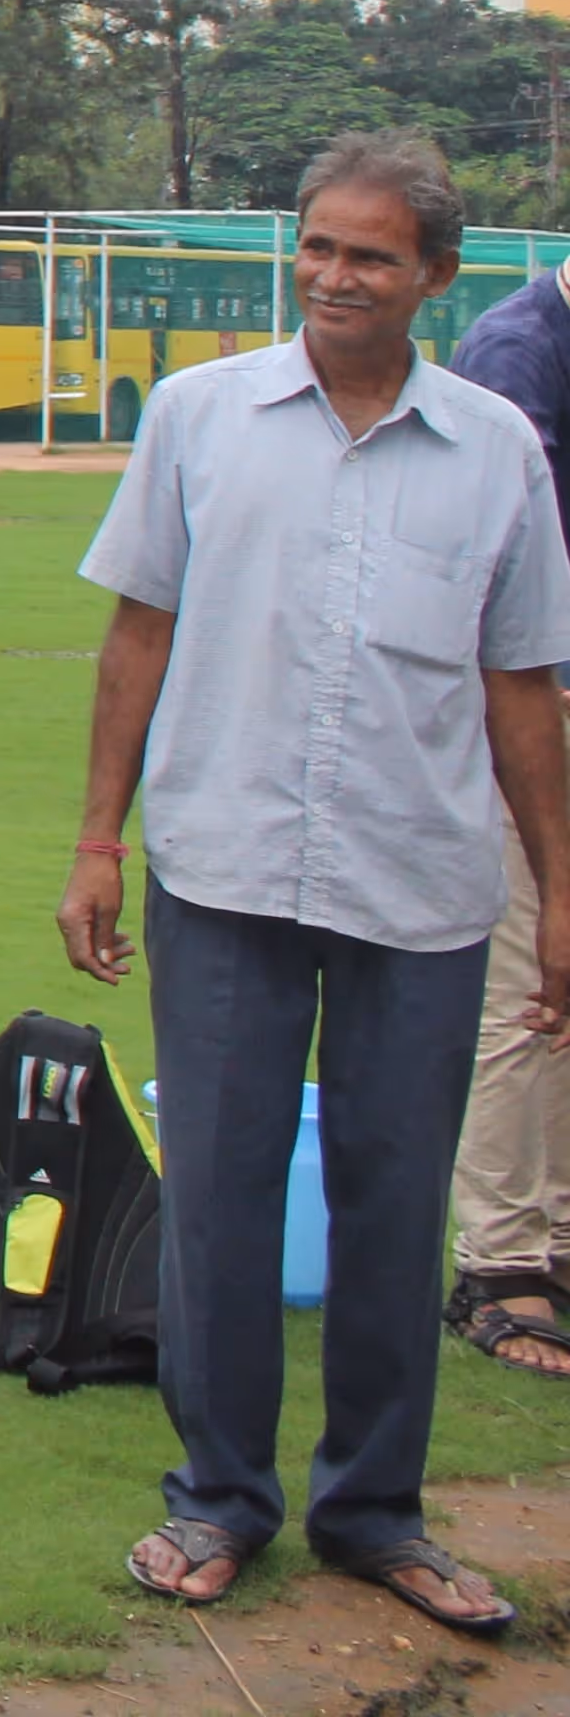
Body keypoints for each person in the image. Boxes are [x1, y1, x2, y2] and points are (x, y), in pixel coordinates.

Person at [72, 132, 570, 1640]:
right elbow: (135, 639)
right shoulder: (202, 418)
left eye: (369, 256)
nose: (334, 277)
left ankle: (375, 1512)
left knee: (392, 1199)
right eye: (318, 246)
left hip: (421, 884)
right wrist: (99, 839)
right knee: (216, 1202)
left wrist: (562, 893)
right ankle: (219, 1499)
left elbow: (523, 690)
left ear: (436, 275)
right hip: (221, 868)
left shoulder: (498, 449)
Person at [450, 251, 570, 1379]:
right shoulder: (517, 349)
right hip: (540, 707)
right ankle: (501, 1256)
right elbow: (510, 563)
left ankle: (558, 1230)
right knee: (529, 972)